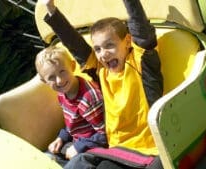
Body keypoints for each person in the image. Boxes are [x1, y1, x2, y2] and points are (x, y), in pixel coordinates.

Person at [42, 0, 164, 168]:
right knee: (65, 161)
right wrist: (51, 10)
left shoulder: (140, 62)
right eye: (98, 49)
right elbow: (76, 46)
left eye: (109, 46)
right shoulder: (101, 71)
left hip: (145, 151)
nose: (103, 54)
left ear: (128, 41)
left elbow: (142, 32)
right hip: (114, 150)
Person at [35, 46, 108, 167]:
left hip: (95, 148)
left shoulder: (88, 98)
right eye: (51, 77)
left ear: (73, 66)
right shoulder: (62, 93)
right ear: (44, 81)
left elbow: (105, 134)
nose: (59, 80)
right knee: (44, 159)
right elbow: (72, 124)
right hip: (76, 143)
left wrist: (79, 147)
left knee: (75, 165)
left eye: (62, 71)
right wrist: (61, 138)